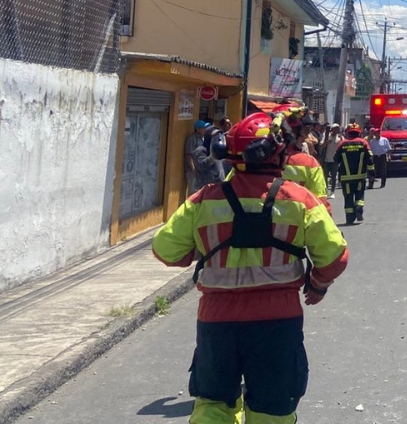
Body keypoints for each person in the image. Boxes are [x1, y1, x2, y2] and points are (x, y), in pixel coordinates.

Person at [151, 112, 348, 424]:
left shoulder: (204, 199)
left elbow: (165, 250)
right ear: (275, 152)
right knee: (272, 411)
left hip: (217, 323)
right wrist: (317, 282)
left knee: (213, 406)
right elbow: (335, 255)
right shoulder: (299, 200)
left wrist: (199, 249)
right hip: (277, 322)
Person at [334, 124, 374, 225]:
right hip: (360, 177)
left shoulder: (342, 144)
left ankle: (349, 218)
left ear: (347, 133)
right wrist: (372, 173)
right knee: (359, 195)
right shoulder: (363, 143)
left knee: (348, 197)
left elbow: (336, 159)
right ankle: (359, 209)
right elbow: (370, 159)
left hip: (346, 178)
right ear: (359, 133)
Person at [322, 124, 342, 192]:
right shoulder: (326, 136)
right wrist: (326, 142)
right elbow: (321, 145)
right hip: (326, 160)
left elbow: (343, 145)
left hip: (335, 160)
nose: (336, 130)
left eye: (337, 128)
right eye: (335, 128)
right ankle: (326, 190)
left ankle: (332, 191)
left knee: (333, 177)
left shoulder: (339, 137)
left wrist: (341, 139)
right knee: (325, 176)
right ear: (332, 129)